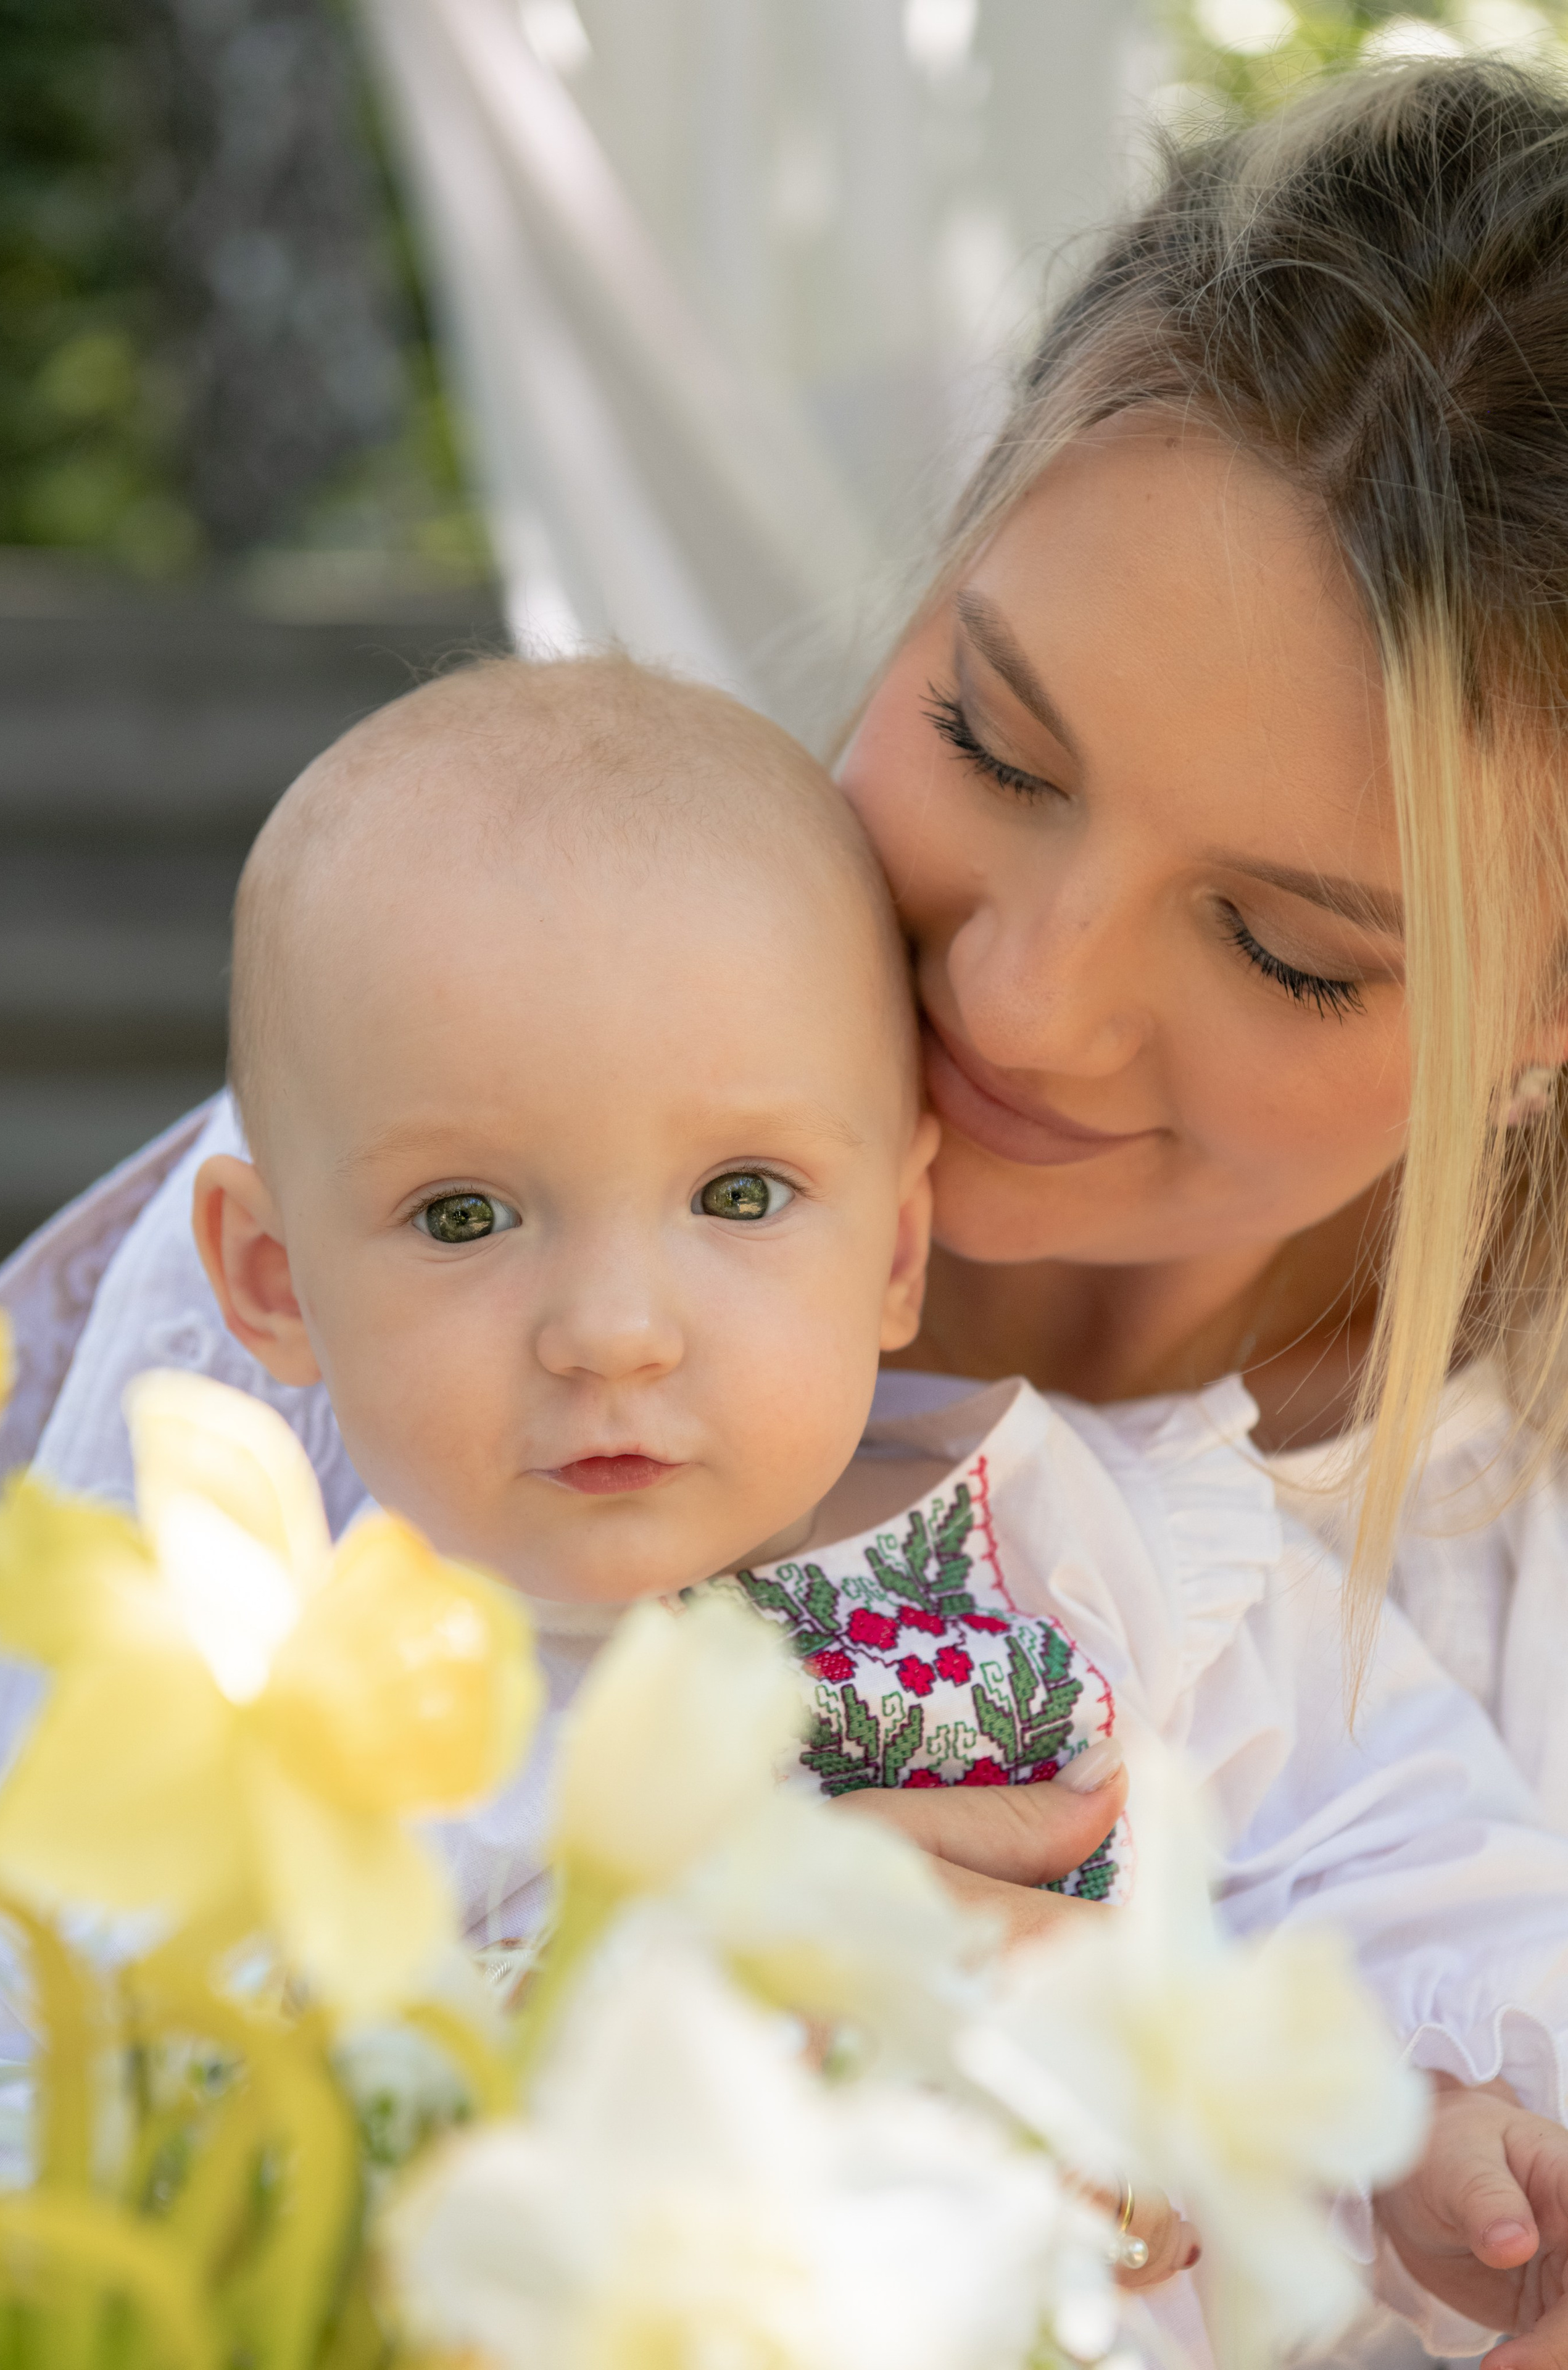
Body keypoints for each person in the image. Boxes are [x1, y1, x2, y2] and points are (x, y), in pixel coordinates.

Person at [0, 51, 1568, 2367]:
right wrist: (576, 2029)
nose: (1023, 1003)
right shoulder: (414, 1180)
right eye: (994, 745)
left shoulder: (1357, 1572)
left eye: (1287, 949)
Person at [157, 647, 1568, 2358]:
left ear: (896, 1245)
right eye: (464, 1215)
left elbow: (1378, 1848)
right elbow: (197, 2145)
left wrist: (1431, 2121)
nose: (614, 1330)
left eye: (740, 1192)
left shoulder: (1098, 1546)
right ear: (267, 1275)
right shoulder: (296, 1715)